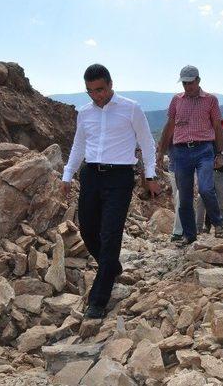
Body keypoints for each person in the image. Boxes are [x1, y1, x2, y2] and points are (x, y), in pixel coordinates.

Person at [61, 64, 160, 319]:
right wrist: (67, 175)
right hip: (91, 174)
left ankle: (98, 298)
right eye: (91, 91)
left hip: (120, 176)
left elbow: (147, 143)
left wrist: (150, 174)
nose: (97, 96)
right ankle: (112, 266)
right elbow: (78, 145)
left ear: (110, 84)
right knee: (88, 230)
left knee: (110, 233)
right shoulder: (84, 113)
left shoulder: (131, 108)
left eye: (101, 89)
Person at [156, 65, 223, 245]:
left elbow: (217, 127)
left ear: (198, 81)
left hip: (204, 150)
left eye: (191, 83)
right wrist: (160, 151)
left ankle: (218, 223)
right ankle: (190, 235)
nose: (188, 87)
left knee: (205, 188)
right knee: (184, 196)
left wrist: (219, 153)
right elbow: (169, 126)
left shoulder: (211, 100)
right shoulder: (176, 100)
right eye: (185, 83)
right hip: (180, 152)